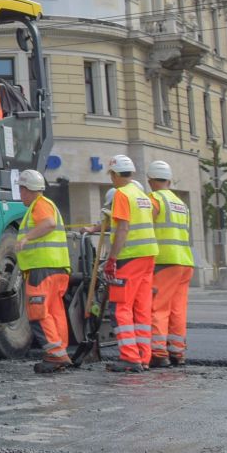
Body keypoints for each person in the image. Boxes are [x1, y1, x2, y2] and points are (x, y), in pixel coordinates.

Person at [101, 154, 157, 373]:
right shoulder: (141, 195)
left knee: (121, 307)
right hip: (148, 256)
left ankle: (130, 357)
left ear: (115, 175)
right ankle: (144, 356)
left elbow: (123, 228)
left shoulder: (122, 194)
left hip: (130, 257)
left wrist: (112, 258)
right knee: (141, 308)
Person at [13, 169, 72, 374]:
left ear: (28, 189)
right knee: (55, 312)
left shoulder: (40, 205)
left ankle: (55, 355)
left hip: (42, 269)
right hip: (56, 268)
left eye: (21, 189)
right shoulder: (46, 204)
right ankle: (60, 352)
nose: (20, 194)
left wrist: (27, 238)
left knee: (38, 312)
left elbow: (49, 223)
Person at [145, 161, 193, 369]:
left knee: (158, 307)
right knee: (177, 309)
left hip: (164, 261)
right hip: (184, 261)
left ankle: (158, 352)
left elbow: (145, 226)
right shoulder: (180, 203)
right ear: (169, 181)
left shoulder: (154, 199)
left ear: (150, 181)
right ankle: (177, 351)